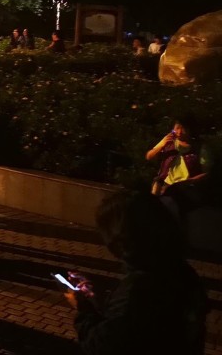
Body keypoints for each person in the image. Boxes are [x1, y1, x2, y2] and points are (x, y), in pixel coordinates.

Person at [65, 191, 206, 355]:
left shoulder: (139, 289)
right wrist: (105, 301)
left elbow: (101, 345)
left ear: (122, 237)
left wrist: (83, 309)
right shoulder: (183, 272)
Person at [147, 115, 203, 195]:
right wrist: (162, 144)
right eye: (177, 128)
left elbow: (207, 172)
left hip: (187, 187)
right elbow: (149, 156)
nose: (179, 132)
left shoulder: (198, 147)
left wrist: (191, 180)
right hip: (166, 185)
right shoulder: (168, 142)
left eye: (183, 129)